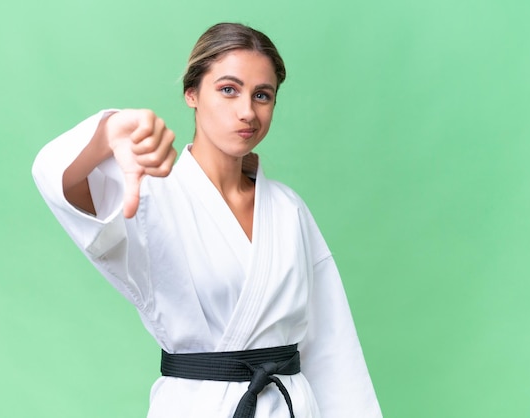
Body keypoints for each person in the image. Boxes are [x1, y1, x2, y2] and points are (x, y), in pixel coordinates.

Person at [32, 22, 381, 418]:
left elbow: (332, 347)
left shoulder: (289, 209)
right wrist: (107, 132)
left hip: (292, 407)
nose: (247, 111)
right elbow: (55, 179)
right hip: (197, 406)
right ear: (192, 93)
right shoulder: (150, 195)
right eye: (228, 89)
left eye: (262, 95)